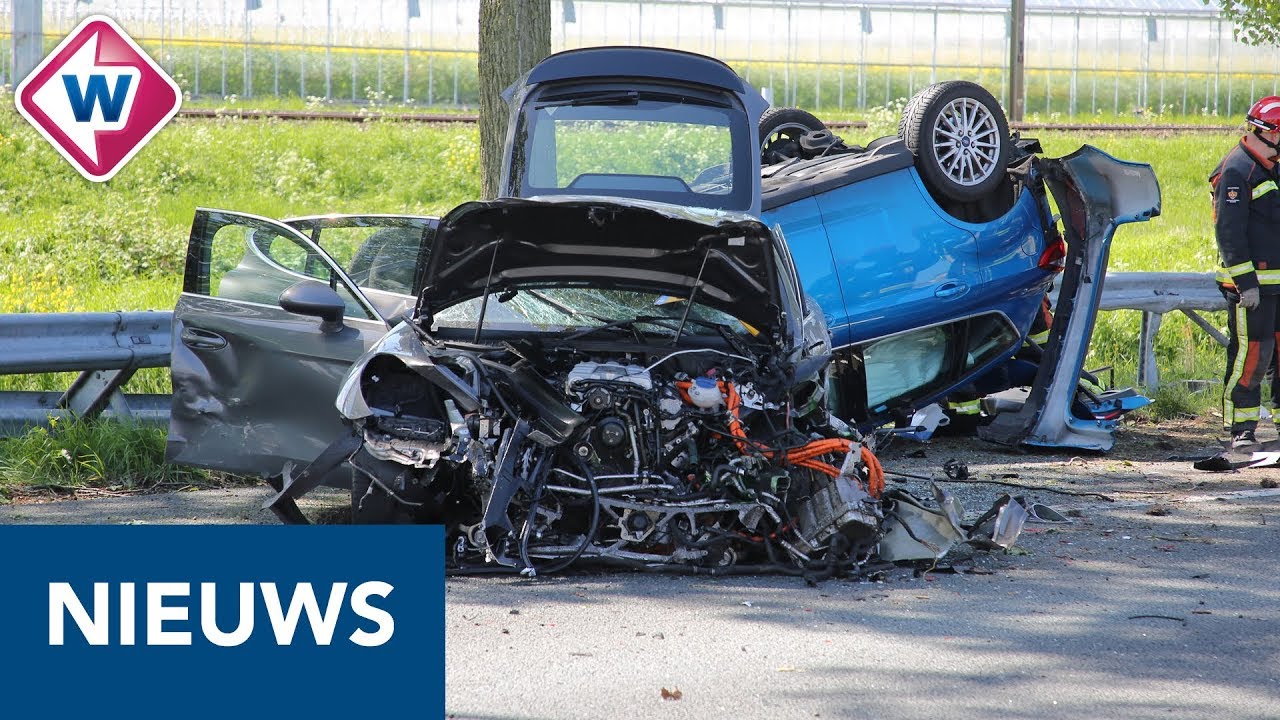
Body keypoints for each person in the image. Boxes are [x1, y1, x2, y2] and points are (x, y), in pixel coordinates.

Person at [1212, 96, 1280, 448]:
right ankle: (1242, 431)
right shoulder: (1238, 170)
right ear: (1268, 133)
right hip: (1252, 291)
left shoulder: (1272, 166)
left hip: (1278, 288)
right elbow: (1229, 234)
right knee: (1251, 358)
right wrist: (1246, 284)